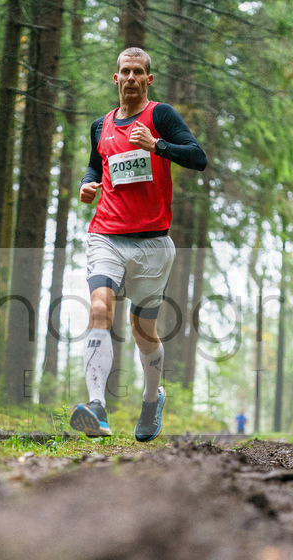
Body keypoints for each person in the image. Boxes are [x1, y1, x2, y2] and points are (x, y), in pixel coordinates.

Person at [69, 47, 207, 441]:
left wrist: (157, 145)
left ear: (149, 79)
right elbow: (97, 163)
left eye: (138, 72)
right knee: (99, 307)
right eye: (124, 71)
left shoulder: (160, 116)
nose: (130, 77)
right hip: (106, 235)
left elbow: (198, 158)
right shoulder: (100, 126)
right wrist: (86, 183)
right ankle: (97, 407)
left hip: (152, 243)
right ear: (116, 78)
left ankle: (151, 399)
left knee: (143, 332)